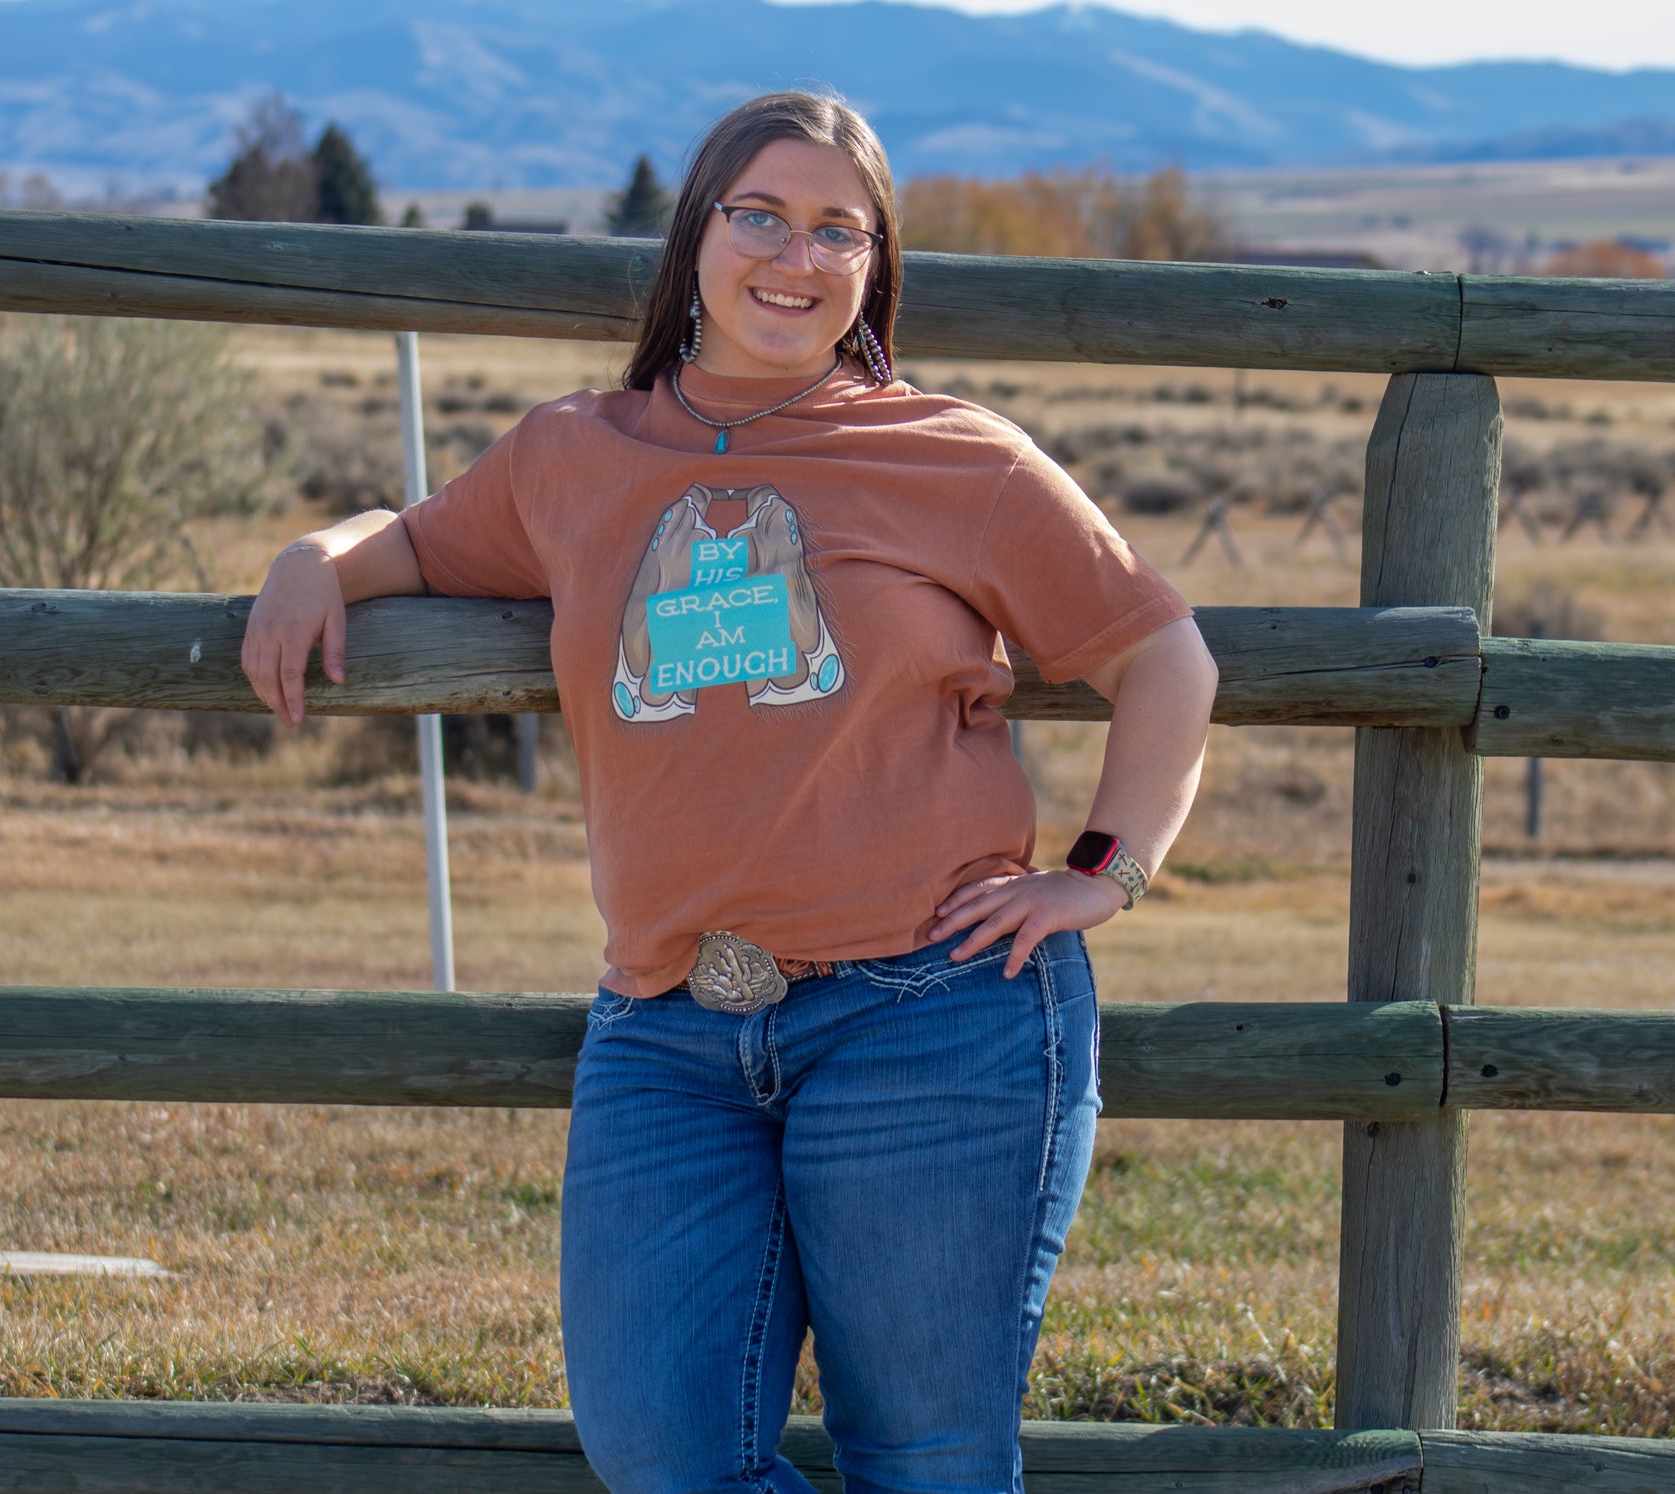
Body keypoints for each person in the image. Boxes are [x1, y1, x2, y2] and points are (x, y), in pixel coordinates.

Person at [243, 91, 1216, 1494]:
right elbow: (409, 542)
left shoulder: (957, 458)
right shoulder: (573, 455)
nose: (794, 255)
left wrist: (1103, 871)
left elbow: (1163, 658)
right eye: (760, 214)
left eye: (838, 229)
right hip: (665, 1029)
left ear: (874, 264)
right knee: (662, 1453)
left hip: (930, 1012)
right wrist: (309, 559)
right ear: (695, 233)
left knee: (926, 1460)